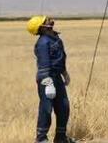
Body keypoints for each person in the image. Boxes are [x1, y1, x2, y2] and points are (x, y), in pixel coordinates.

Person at [28, 15, 73, 143]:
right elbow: (44, 63)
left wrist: (64, 73)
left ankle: (61, 137)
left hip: (57, 76)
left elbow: (60, 59)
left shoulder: (55, 39)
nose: (49, 20)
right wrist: (48, 82)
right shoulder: (43, 42)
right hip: (47, 77)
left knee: (63, 106)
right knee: (46, 108)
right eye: (45, 20)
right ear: (42, 27)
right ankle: (41, 138)